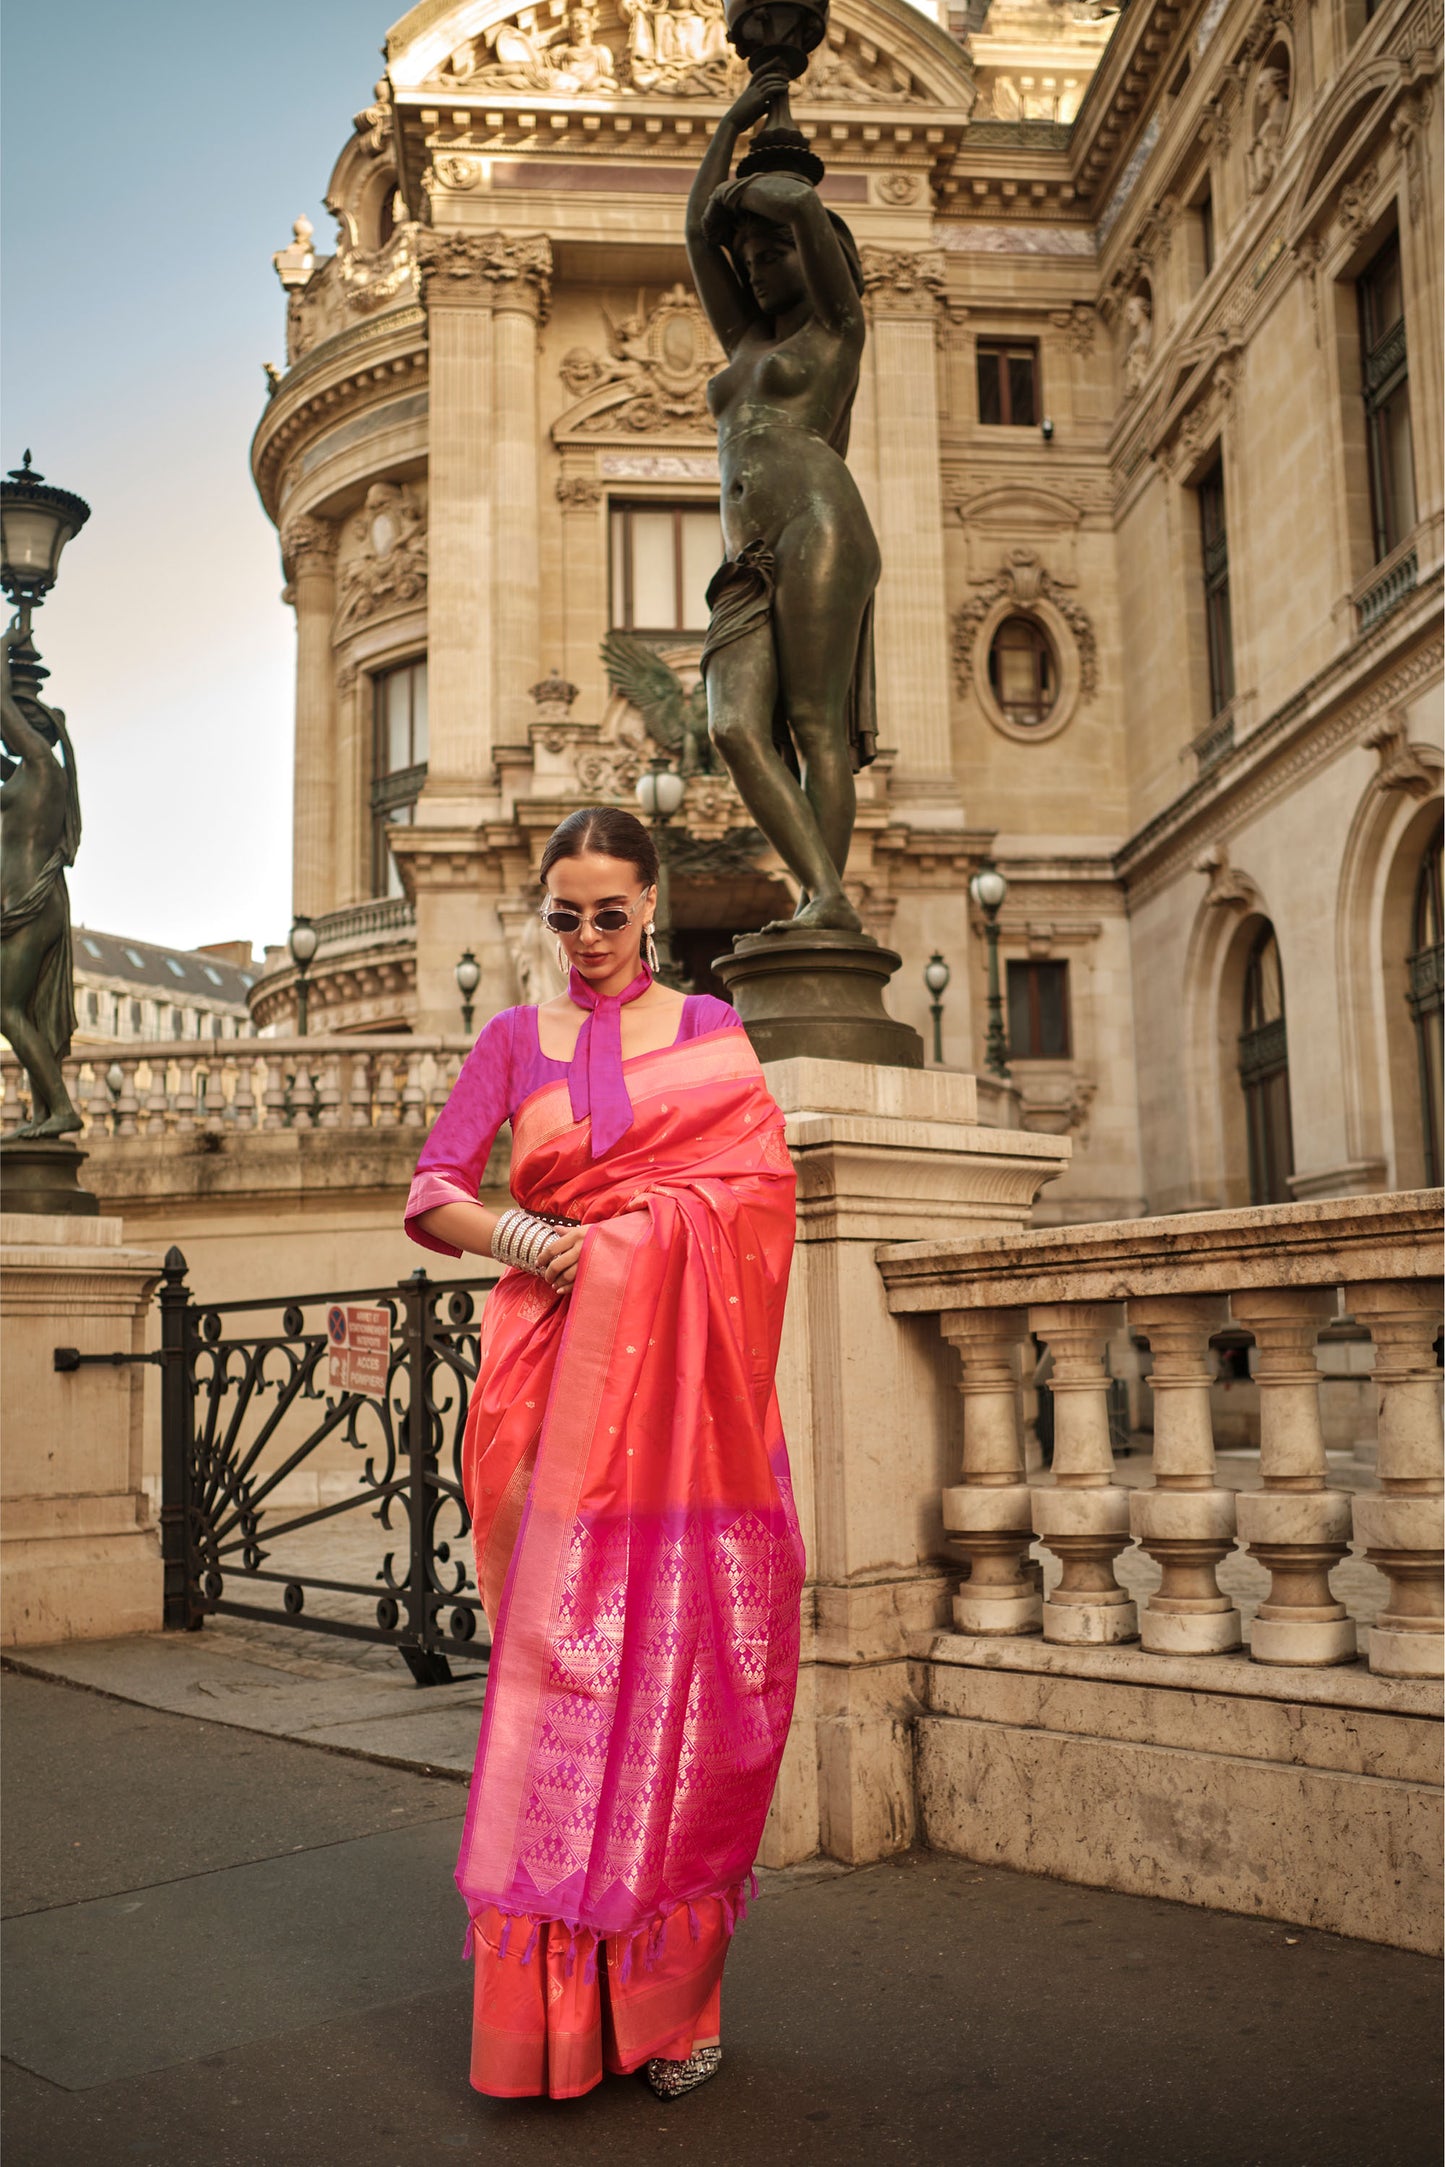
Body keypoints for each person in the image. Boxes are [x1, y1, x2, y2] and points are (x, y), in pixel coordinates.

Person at [405, 805, 803, 2103]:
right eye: (563, 912)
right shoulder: (512, 1038)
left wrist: (638, 1243)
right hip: (543, 1392)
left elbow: (753, 1200)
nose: (585, 937)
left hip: (677, 1404)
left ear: (653, 905)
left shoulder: (708, 1034)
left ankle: (674, 1997)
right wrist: (525, 1239)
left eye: (609, 913)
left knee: (681, 1690)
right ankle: (556, 2011)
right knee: (564, 1688)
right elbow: (431, 1189)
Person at [686, 62, 880, 936]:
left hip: (818, 520)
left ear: (815, 257)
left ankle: (821, 905)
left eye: (771, 256)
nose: (756, 271)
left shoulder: (837, 329)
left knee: (811, 723)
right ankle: (825, 895)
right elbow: (697, 236)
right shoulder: (744, 338)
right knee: (732, 726)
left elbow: (802, 210)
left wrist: (774, 180)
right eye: (751, 260)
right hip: (747, 556)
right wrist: (733, 121)